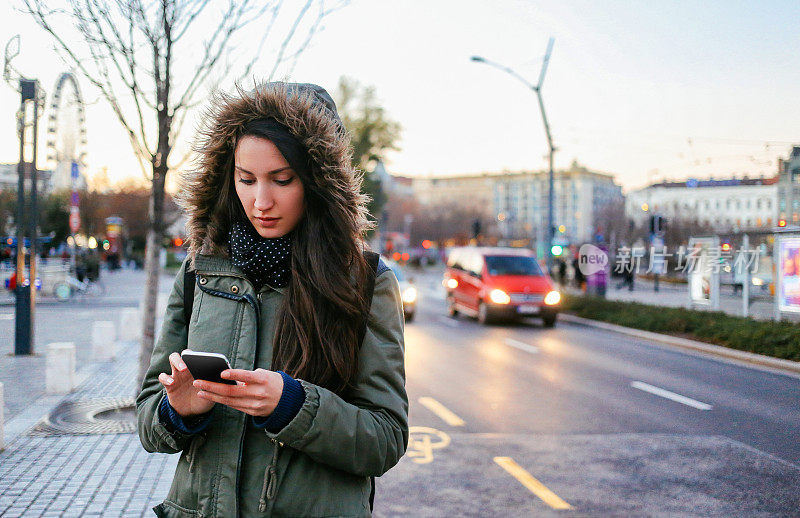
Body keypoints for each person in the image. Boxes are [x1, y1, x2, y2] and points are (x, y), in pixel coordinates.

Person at [136, 82, 409, 518]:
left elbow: (386, 438)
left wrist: (295, 407)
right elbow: (148, 423)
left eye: (282, 180)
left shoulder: (365, 282)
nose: (261, 201)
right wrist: (177, 410)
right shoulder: (199, 272)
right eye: (246, 179)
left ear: (319, 182)